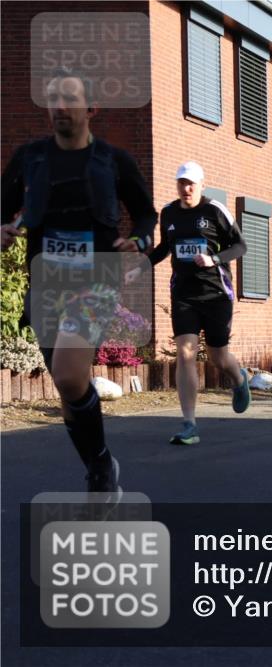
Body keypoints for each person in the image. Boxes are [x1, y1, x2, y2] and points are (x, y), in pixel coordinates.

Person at [1, 69, 157, 495]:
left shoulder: (114, 161)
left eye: (69, 98)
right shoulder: (30, 159)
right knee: (68, 385)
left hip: (96, 282)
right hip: (46, 285)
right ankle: (99, 467)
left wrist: (139, 240)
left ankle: (101, 466)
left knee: (70, 375)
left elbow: (146, 215)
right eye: (52, 98)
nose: (59, 107)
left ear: (91, 108)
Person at [134, 161, 252, 444]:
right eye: (182, 183)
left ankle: (238, 379)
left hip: (216, 293)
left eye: (191, 184)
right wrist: (141, 266)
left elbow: (241, 245)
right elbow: (165, 247)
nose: (186, 188)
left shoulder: (215, 210)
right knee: (185, 353)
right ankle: (189, 424)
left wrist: (214, 259)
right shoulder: (169, 213)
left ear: (201, 185)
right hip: (184, 294)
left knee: (217, 357)